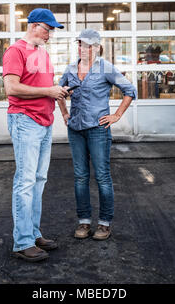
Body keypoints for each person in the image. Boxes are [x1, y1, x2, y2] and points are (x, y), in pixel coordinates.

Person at [3, 8, 69, 262]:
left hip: (44, 121)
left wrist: (59, 95)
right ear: (34, 26)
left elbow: (46, 88)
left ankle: (33, 233)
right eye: (48, 29)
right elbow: (12, 87)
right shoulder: (15, 51)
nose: (50, 34)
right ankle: (22, 243)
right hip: (25, 120)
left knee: (39, 180)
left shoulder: (42, 54)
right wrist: (49, 92)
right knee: (26, 181)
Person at [57, 29, 137, 240]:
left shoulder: (106, 68)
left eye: (87, 45)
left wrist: (116, 115)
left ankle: (104, 223)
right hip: (75, 130)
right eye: (80, 45)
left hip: (97, 130)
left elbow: (130, 90)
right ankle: (84, 222)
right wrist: (65, 112)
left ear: (96, 47)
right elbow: (59, 92)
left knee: (102, 176)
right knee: (80, 176)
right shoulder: (71, 68)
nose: (83, 49)